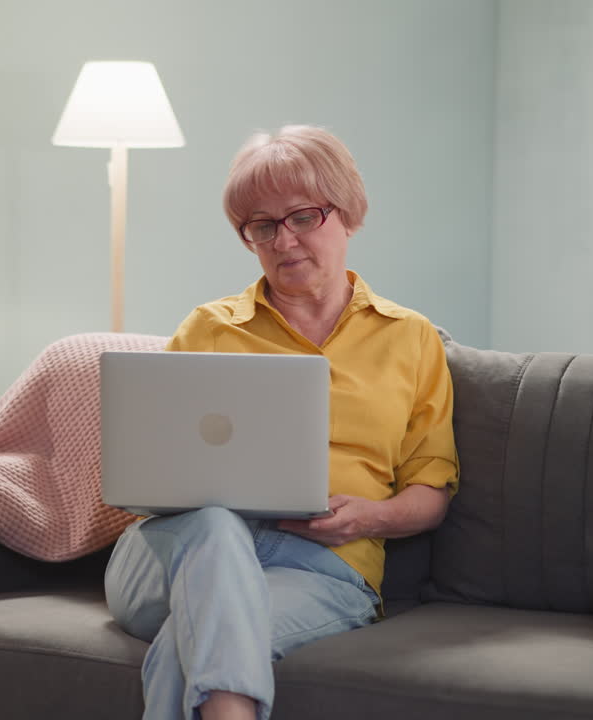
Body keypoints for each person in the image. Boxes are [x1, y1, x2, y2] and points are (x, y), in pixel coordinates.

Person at [103, 125, 459, 720]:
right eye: (261, 226)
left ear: (347, 215)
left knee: (188, 641)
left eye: (302, 216)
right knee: (215, 524)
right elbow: (150, 473)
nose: (283, 240)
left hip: (320, 568)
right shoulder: (208, 329)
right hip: (176, 553)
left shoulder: (411, 338)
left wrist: (369, 516)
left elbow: (432, 490)